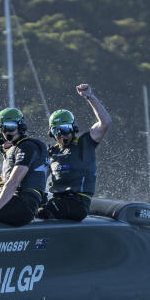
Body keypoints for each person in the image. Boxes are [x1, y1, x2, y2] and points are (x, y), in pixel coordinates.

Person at [37, 84, 111, 221]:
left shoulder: (85, 143)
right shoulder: (52, 152)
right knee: (33, 206)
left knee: (41, 213)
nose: (61, 135)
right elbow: (37, 178)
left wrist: (90, 96)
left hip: (77, 203)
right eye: (56, 131)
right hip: (57, 200)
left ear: (73, 128)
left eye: (64, 129)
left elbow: (105, 122)